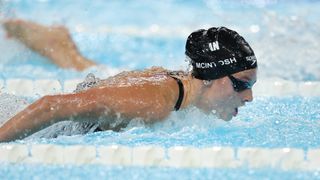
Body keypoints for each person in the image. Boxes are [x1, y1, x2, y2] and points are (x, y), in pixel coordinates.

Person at [0, 20, 257, 142]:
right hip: (24, 121)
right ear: (211, 76)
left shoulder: (183, 87)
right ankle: (60, 48)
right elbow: (49, 106)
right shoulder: (153, 103)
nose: (249, 97)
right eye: (242, 84)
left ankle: (60, 48)